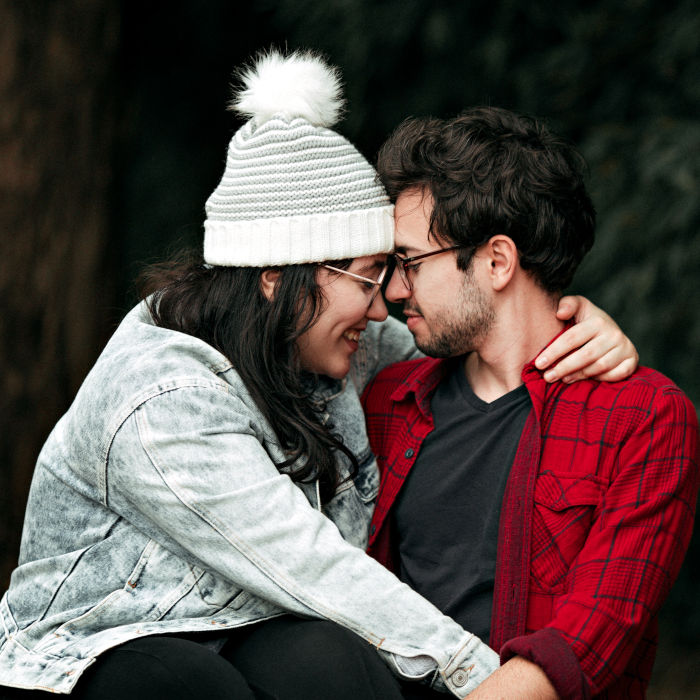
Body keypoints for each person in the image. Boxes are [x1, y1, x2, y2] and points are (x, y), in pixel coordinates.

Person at [0, 52, 636, 700]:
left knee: (327, 662)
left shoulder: (328, 339)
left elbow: (484, 337)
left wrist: (571, 325)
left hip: (250, 622)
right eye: (368, 277)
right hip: (108, 641)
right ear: (278, 278)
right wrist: (486, 682)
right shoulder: (163, 402)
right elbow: (314, 567)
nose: (384, 305)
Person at [361, 106, 700, 699]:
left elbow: (582, 648)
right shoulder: (388, 400)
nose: (392, 290)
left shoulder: (644, 419)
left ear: (497, 261)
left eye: (409, 262)